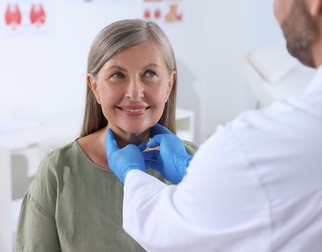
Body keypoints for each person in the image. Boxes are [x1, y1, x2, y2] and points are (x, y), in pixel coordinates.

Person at [106, 0, 322, 251]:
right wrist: (195, 174)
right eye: (117, 75)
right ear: (93, 86)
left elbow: (165, 231)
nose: (275, 5)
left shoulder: (252, 149)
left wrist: (133, 175)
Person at [15, 19, 198, 251]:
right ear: (95, 87)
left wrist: (194, 178)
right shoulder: (57, 173)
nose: (134, 93)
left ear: (169, 85)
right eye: (118, 75)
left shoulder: (197, 165)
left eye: (150, 73)